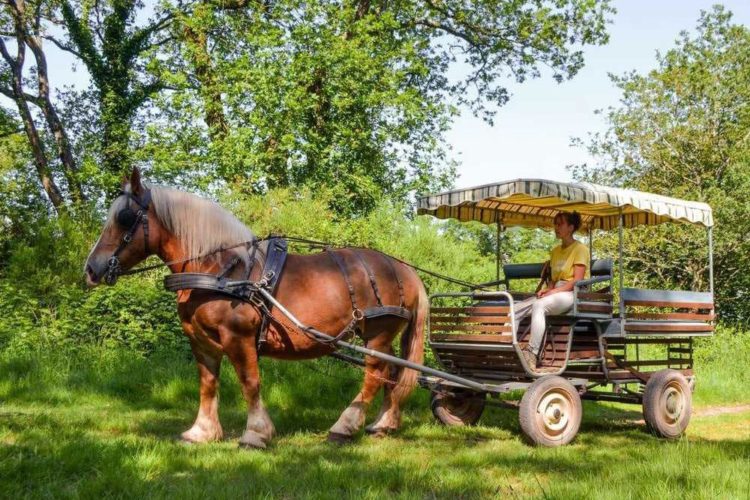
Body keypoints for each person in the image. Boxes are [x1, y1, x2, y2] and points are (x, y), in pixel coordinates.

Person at [515, 211, 590, 374]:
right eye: (555, 224)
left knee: (539, 306)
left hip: (574, 294)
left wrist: (553, 291)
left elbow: (577, 280)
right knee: (515, 309)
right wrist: (548, 290)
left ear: (570, 228)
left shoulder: (580, 249)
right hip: (557, 291)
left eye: (560, 224)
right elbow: (553, 280)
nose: (556, 228)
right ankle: (509, 348)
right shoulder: (555, 251)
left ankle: (532, 353)